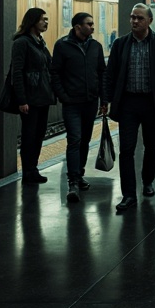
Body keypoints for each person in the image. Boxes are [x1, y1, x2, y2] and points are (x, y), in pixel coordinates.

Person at [104, 3, 155, 213]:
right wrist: (106, 100)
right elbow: (109, 74)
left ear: (149, 21)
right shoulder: (120, 44)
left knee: (151, 147)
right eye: (132, 17)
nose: (135, 21)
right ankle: (128, 194)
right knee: (126, 150)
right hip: (128, 104)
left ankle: (147, 181)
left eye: (139, 18)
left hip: (152, 103)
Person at [50, 12, 108, 203]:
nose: (92, 27)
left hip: (90, 102)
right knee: (74, 139)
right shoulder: (62, 46)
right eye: (89, 24)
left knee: (84, 141)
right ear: (77, 27)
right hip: (72, 103)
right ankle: (73, 180)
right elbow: (55, 73)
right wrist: (64, 96)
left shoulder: (95, 46)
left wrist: (103, 99)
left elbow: (102, 73)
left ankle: (79, 174)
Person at [10, 7, 56, 184]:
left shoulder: (39, 41)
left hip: (42, 96)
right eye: (43, 19)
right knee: (29, 136)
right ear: (33, 21)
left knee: (38, 135)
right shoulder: (22, 43)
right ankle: (27, 171)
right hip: (30, 98)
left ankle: (33, 168)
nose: (46, 22)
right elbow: (17, 72)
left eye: (47, 19)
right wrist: (22, 99)